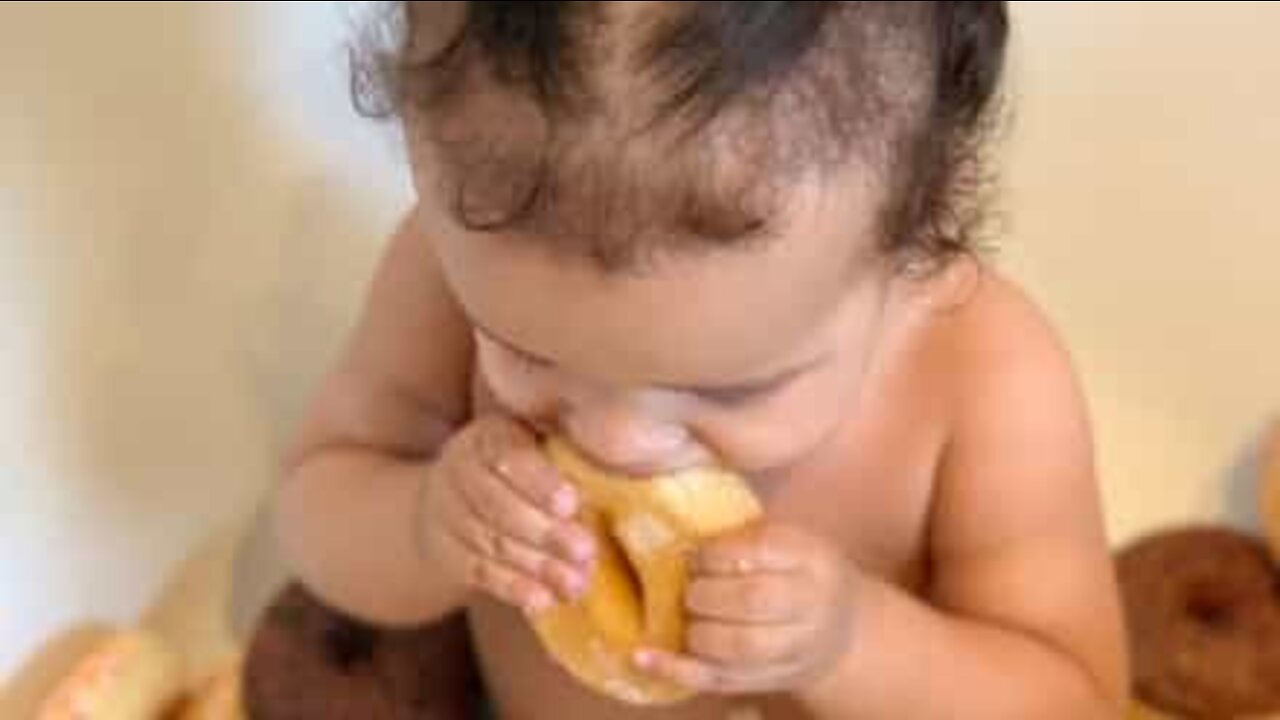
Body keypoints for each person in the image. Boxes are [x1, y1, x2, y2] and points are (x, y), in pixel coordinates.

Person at [275, 2, 1128, 717]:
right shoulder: (443, 280)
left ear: (915, 237)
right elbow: (318, 510)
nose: (617, 441)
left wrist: (854, 644)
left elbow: (1076, 699)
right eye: (526, 350)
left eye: (732, 387)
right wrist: (424, 527)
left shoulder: (983, 375)